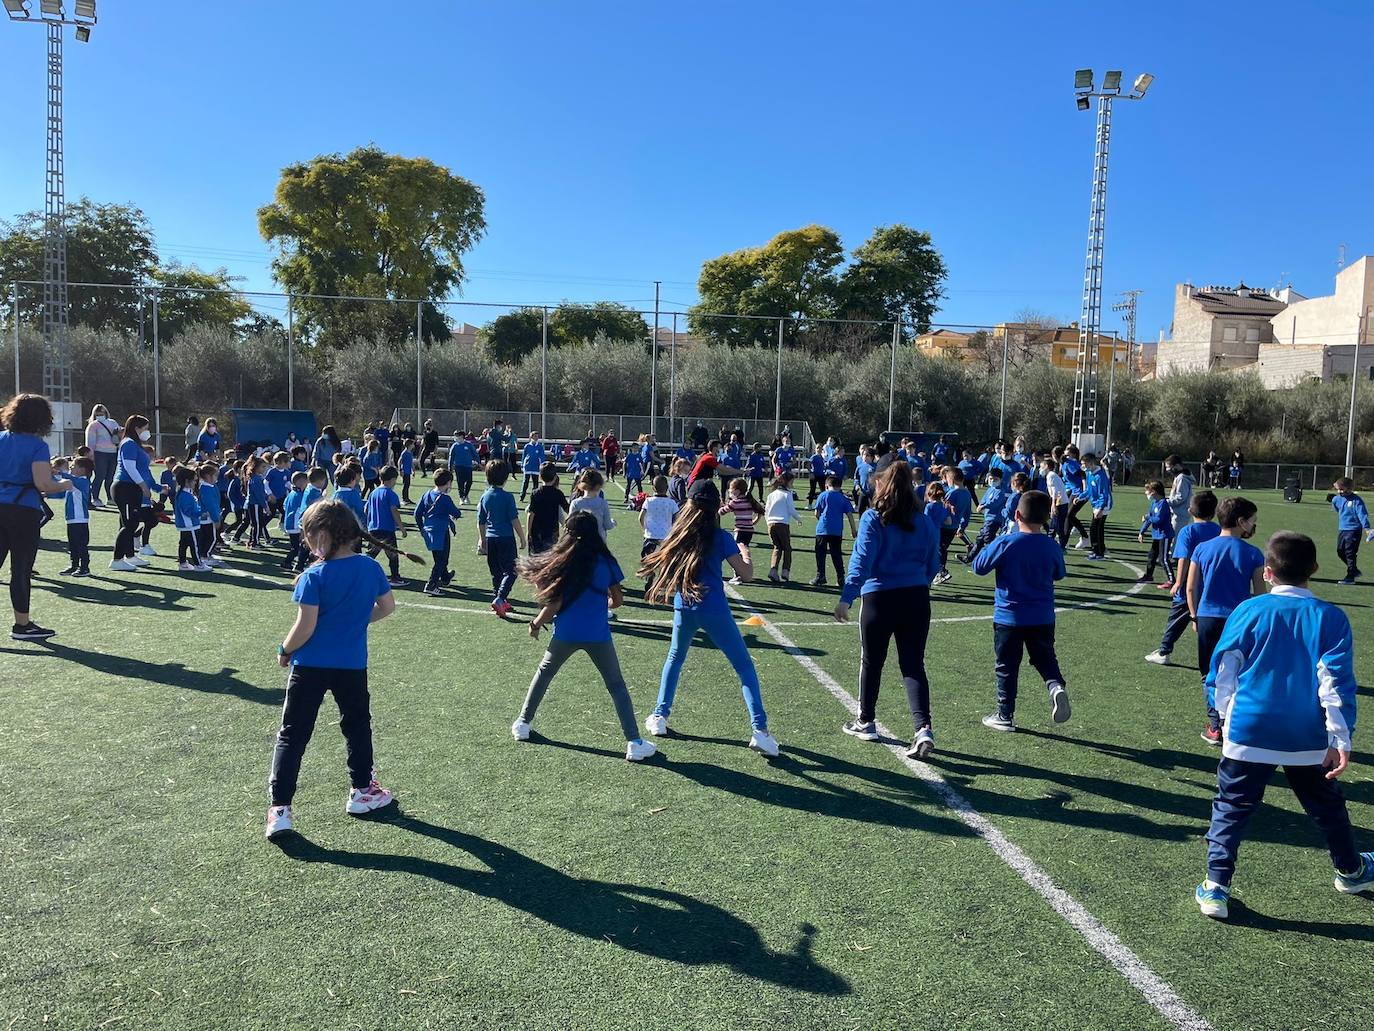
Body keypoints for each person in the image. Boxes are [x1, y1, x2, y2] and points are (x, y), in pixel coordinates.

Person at [1193, 531, 1373, 920]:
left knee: (1232, 808)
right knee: (1327, 806)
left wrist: (1222, 717)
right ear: (1315, 570)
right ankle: (1350, 870)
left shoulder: (1248, 610)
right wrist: (1341, 738)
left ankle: (1216, 886)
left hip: (1249, 729)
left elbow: (1223, 669)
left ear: (1268, 573)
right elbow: (1335, 683)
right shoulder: (1330, 617)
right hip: (1305, 735)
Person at [264, 499, 398, 841]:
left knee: (293, 735)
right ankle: (362, 791)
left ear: (322, 535)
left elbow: (305, 627)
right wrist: (353, 623)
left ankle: (280, 811)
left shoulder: (313, 576)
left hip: (309, 665)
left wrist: (284, 649)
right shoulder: (371, 568)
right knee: (357, 726)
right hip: (351, 665)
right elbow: (386, 607)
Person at [640, 479, 779, 757]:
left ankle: (659, 716)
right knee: (744, 668)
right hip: (715, 609)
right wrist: (745, 552)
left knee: (675, 658)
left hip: (684, 607)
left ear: (688, 505)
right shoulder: (721, 537)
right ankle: (760, 731)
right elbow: (747, 574)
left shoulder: (678, 535)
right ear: (717, 507)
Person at [513, 512, 657, 761]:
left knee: (544, 674)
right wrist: (603, 603)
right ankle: (634, 742)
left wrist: (535, 624)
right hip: (598, 635)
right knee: (617, 686)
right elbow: (618, 600)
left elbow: (554, 603)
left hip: (566, 633)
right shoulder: (605, 561)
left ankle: (523, 724)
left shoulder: (562, 562)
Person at [832, 462, 941, 757]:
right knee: (913, 664)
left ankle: (866, 721)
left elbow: (862, 560)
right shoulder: (924, 520)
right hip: (917, 598)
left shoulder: (873, 518)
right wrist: (919, 584)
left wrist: (847, 596)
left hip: (879, 598)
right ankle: (923, 728)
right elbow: (934, 563)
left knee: (872, 662)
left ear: (881, 483)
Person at [972, 490, 1072, 733]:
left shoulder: (1006, 542)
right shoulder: (1051, 546)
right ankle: (1055, 686)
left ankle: (1005, 714)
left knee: (1006, 665)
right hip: (1043, 616)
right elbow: (1059, 573)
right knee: (1045, 658)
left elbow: (979, 567)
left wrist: (992, 543)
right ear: (1047, 517)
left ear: (1017, 514)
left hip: (1010, 617)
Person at [1190, 496, 1265, 745]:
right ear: (1242, 522)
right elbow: (1259, 594)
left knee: (1209, 674)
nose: (1255, 525)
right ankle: (1236, 722)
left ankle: (1215, 726)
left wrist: (1194, 615)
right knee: (1240, 672)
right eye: (1253, 521)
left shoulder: (1202, 548)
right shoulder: (1253, 553)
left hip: (1207, 618)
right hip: (1240, 622)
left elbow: (1191, 588)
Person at [1, 395, 72, 639]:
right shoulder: (37, 446)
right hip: (23, 511)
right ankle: (22, 625)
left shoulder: (0, 439)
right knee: (20, 569)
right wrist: (64, 484)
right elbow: (43, 483)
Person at [1145, 491, 1219, 666]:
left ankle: (1164, 651)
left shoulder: (1187, 531)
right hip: (1210, 584)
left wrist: (1178, 582)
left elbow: (1183, 559)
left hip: (1189, 585)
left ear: (1190, 510)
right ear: (1214, 512)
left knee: (1176, 618)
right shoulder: (1218, 530)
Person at [478, 460, 527, 616]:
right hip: (505, 537)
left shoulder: (485, 496)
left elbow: (481, 520)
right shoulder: (507, 497)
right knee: (512, 571)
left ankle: (499, 600)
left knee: (496, 571)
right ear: (505, 478)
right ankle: (500, 599)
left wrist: (482, 539)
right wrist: (522, 537)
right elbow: (514, 519)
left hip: (491, 538)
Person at [110, 414, 156, 571]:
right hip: (125, 487)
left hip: (131, 488)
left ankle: (129, 556)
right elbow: (129, 467)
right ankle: (117, 559)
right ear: (137, 428)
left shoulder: (134, 444)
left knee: (128, 522)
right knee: (130, 524)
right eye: (145, 428)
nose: (147, 432)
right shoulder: (129, 443)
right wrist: (143, 486)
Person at [414, 469, 462, 596]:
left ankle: (445, 577)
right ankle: (431, 584)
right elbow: (457, 513)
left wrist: (421, 528)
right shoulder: (445, 498)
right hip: (441, 531)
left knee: (438, 557)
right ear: (448, 483)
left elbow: (417, 513)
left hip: (429, 531)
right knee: (442, 560)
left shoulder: (427, 494)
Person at [810, 474, 857, 586]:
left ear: (827, 485)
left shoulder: (823, 495)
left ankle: (820, 576)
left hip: (822, 530)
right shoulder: (843, 498)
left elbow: (816, 512)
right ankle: (840, 578)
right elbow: (850, 515)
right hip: (837, 531)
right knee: (836, 554)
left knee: (820, 554)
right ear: (840, 486)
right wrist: (853, 530)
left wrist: (821, 520)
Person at [366, 466, 408, 587]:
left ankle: (359, 572)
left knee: (371, 553)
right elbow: (394, 510)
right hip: (387, 529)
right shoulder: (391, 494)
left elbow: (366, 509)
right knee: (393, 555)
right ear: (393, 479)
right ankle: (395, 577)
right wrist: (401, 527)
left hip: (373, 528)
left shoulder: (373, 493)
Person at [1329, 477, 1374, 585]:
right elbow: (1336, 508)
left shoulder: (1357, 500)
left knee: (1350, 553)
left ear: (1349, 489)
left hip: (1354, 530)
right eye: (1338, 489)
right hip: (1342, 529)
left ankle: (1350, 576)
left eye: (1342, 489)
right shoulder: (1336, 499)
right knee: (1340, 552)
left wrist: (1367, 528)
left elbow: (1362, 515)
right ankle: (1354, 570)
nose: (1340, 492)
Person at [639, 474, 679, 592]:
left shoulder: (648, 501)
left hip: (650, 536)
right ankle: (662, 581)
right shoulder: (671, 503)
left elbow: (641, 517)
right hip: (666, 537)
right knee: (665, 560)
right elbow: (678, 518)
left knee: (648, 559)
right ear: (667, 488)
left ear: (653, 488)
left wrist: (644, 528)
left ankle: (649, 577)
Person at [59, 455, 94, 577]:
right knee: (72, 544)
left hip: (80, 519)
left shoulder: (83, 481)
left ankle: (84, 567)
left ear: (82, 469)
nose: (71, 469)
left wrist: (60, 470)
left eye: (73, 466)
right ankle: (74, 565)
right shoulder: (73, 482)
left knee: (81, 545)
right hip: (71, 519)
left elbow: (68, 478)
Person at [764, 471, 802, 583]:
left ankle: (773, 570)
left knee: (777, 547)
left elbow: (766, 510)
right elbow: (791, 509)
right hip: (782, 524)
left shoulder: (771, 494)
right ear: (788, 482)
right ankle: (785, 571)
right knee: (787, 548)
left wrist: (768, 522)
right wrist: (799, 519)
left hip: (771, 524)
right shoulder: (787, 494)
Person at [1136, 481, 1175, 584]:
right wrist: (1142, 532)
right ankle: (1149, 576)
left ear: (1154, 492)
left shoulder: (1163, 503)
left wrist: (1148, 517)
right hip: (1157, 535)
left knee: (1164, 559)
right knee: (1151, 556)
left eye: (1148, 491)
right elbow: (1149, 518)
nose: (1147, 493)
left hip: (1165, 535)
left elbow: (1158, 519)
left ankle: (1171, 580)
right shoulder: (1154, 503)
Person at [172, 466, 209, 572]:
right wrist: (201, 513)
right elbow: (188, 511)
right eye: (194, 481)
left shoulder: (185, 493)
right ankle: (198, 564)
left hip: (187, 525)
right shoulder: (184, 495)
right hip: (190, 525)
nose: (195, 483)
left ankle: (183, 563)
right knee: (195, 545)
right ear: (187, 481)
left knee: (183, 544)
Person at [526, 463, 568, 555]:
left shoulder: (535, 493)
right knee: (549, 559)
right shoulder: (558, 493)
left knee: (535, 560)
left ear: (540, 477)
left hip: (536, 532)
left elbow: (531, 514)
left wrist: (528, 532)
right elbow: (568, 509)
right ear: (555, 478)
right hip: (552, 532)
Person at [720, 477, 764, 559]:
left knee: (738, 551)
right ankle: (745, 564)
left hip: (740, 530)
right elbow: (760, 512)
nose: (729, 492)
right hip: (749, 531)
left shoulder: (734, 502)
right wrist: (754, 522)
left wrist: (720, 505)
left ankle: (741, 568)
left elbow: (721, 512)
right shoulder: (750, 501)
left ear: (737, 491)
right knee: (744, 548)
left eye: (730, 490)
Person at [1080, 453, 1113, 560]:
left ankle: (1098, 552)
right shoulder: (1090, 474)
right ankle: (1100, 550)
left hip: (1103, 504)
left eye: (1084, 464)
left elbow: (1104, 494)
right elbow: (1089, 490)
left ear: (1091, 463)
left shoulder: (1100, 476)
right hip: (1096, 504)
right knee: (1098, 527)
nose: (1083, 466)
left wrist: (1100, 508)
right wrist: (1081, 496)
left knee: (1094, 527)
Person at [568, 468, 616, 541]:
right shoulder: (603, 503)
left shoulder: (575, 503)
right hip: (599, 543)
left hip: (580, 543)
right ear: (599, 485)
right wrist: (613, 522)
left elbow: (570, 525)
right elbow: (608, 525)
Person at [519, 432, 547, 501]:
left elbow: (542, 457)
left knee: (535, 483)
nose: (536, 438)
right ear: (531, 437)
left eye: (537, 436)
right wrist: (522, 465)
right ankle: (522, 496)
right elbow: (524, 456)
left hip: (536, 467)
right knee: (525, 482)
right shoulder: (527, 446)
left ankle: (534, 497)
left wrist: (542, 466)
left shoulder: (540, 447)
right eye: (535, 436)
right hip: (528, 467)